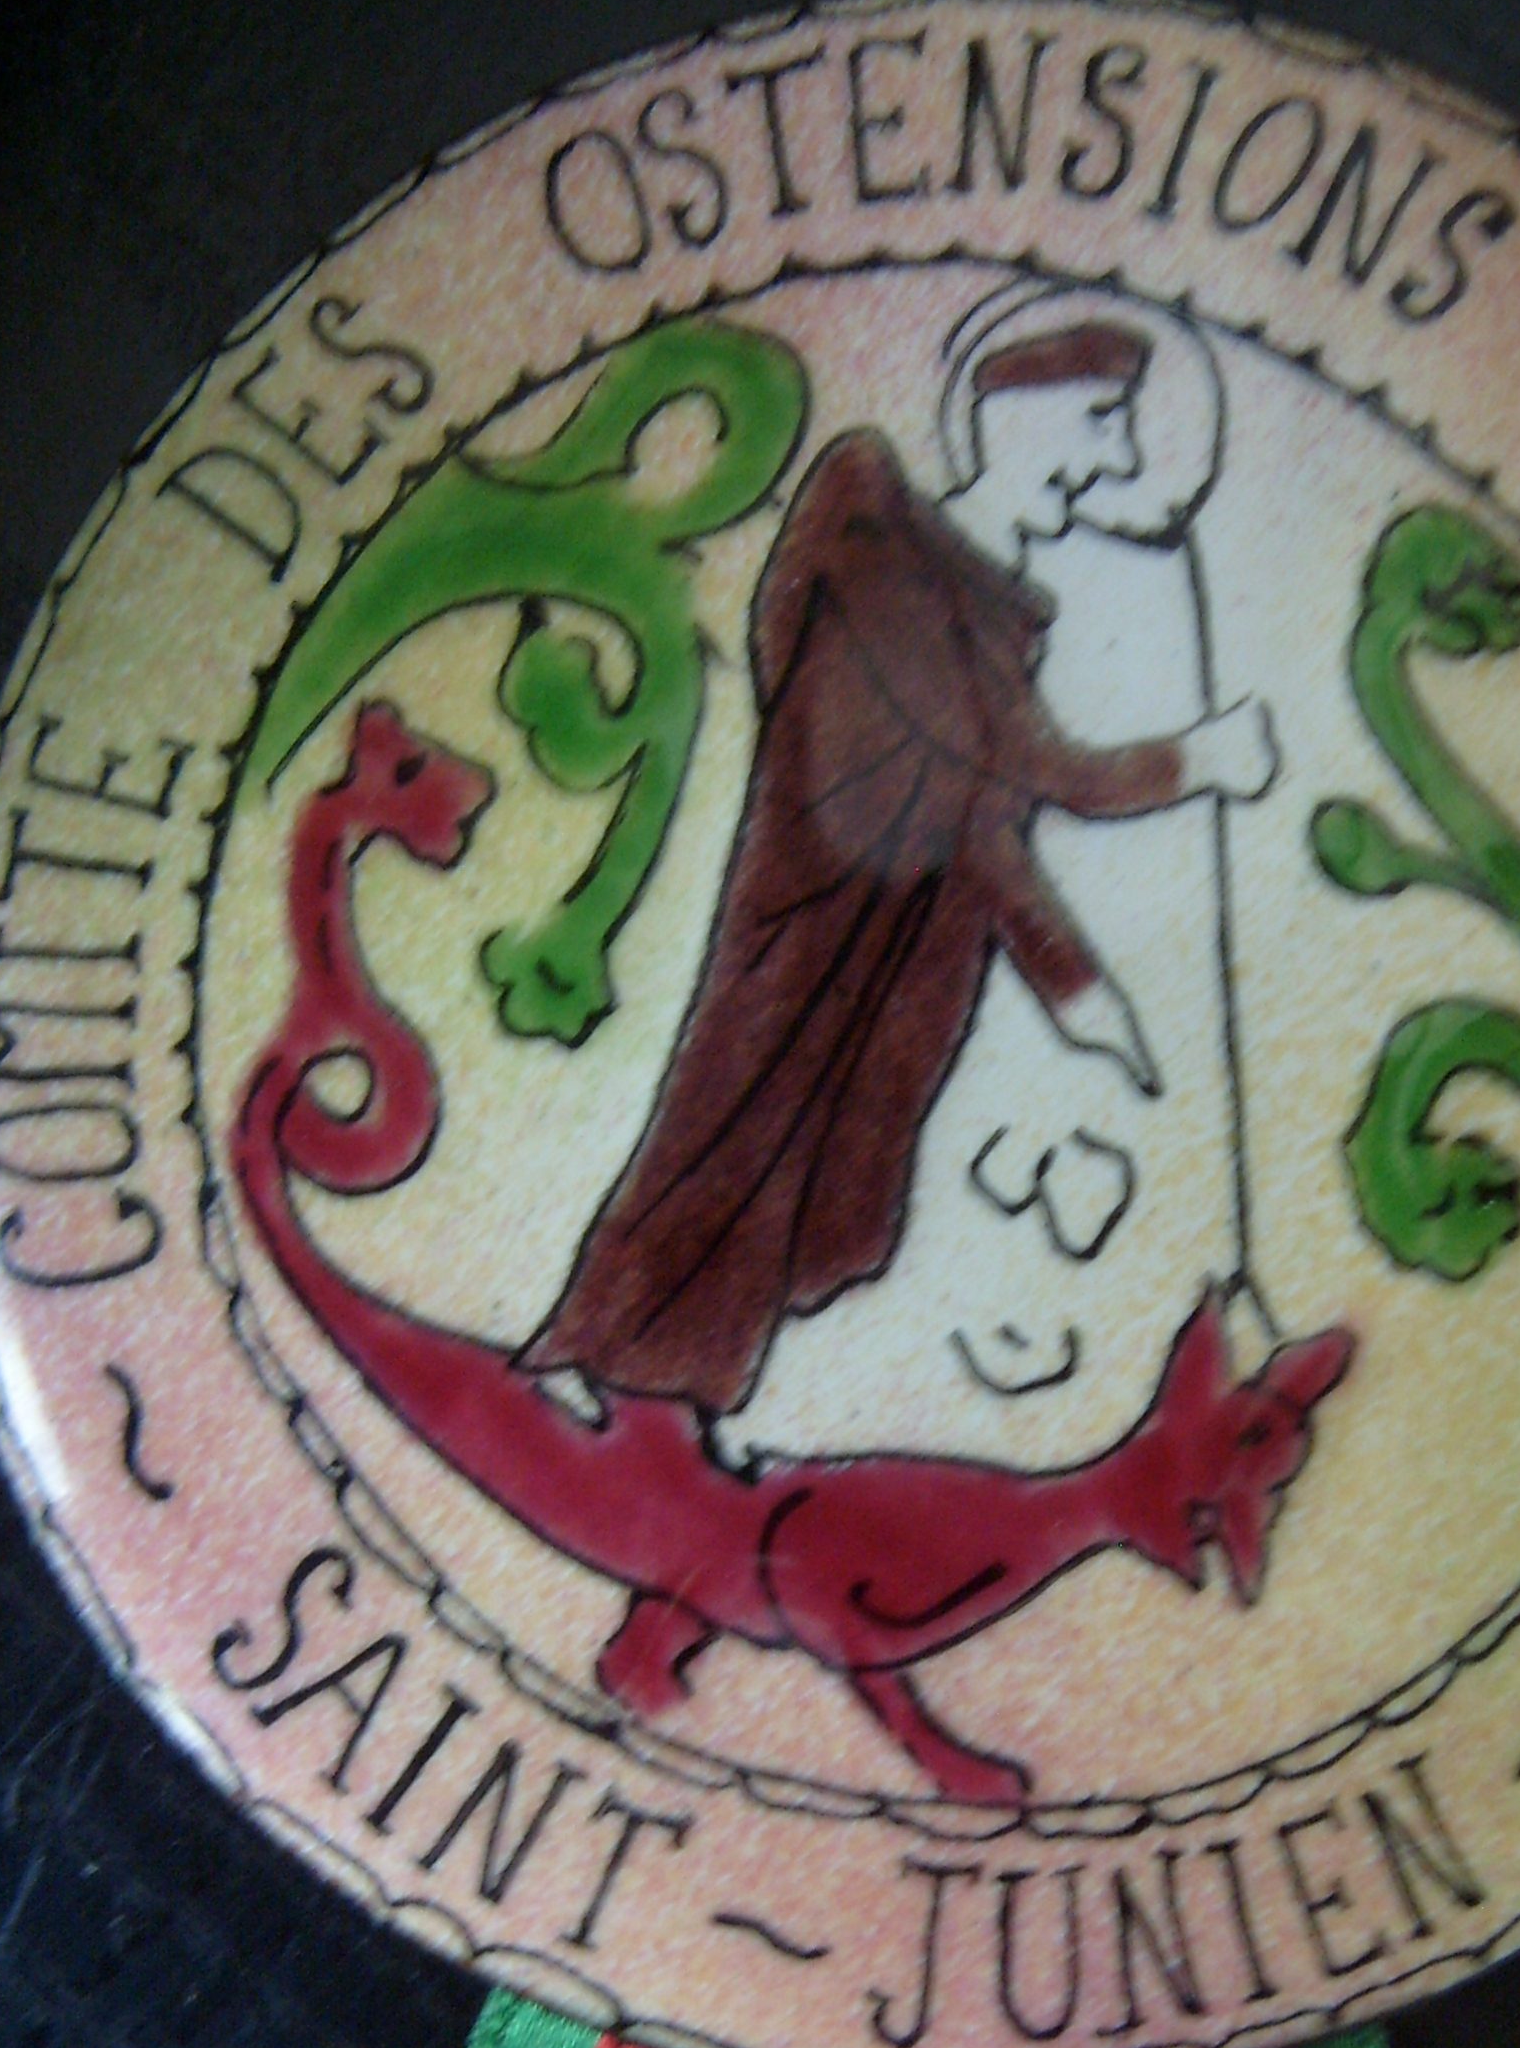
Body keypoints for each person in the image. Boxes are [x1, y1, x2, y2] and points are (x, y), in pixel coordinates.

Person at [521, 315, 1273, 1441]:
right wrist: (1193, 763)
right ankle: (584, 1350)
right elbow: (1024, 763)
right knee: (732, 1132)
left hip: (901, 947)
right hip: (815, 916)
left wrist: (1071, 986)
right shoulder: (877, 538)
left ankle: (678, 1396)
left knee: (819, 1176)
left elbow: (984, 819)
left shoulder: (994, 611)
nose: (1112, 462)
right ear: (1007, 413)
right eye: (1098, 423)